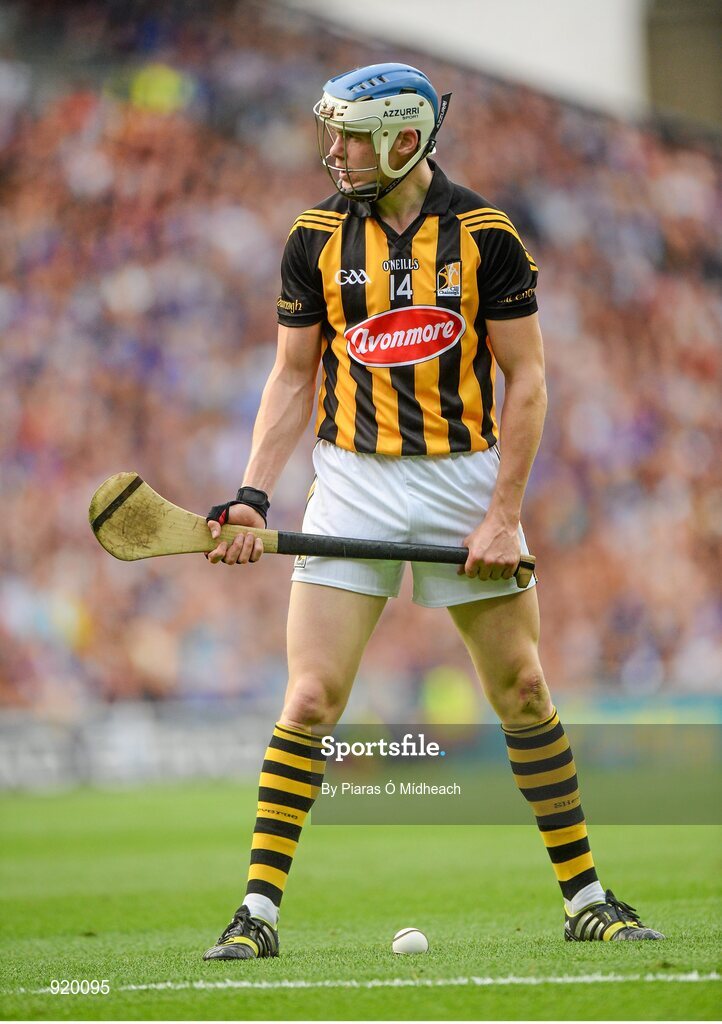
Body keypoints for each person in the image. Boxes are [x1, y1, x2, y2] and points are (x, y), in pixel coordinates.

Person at [202, 63, 663, 959]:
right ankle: (255, 915)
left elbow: (527, 379)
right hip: (353, 480)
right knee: (308, 699)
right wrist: (253, 494)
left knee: (524, 690)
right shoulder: (313, 236)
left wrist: (502, 513)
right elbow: (293, 376)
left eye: (348, 134)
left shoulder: (486, 235)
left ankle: (587, 899)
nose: (330, 149)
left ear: (402, 140)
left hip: (464, 479)